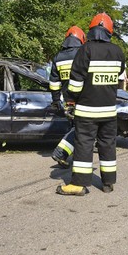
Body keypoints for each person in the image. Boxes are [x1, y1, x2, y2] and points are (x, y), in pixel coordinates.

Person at [57, 13, 125, 196]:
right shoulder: (118, 52)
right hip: (109, 111)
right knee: (108, 144)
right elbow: (119, 80)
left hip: (87, 111)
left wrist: (71, 99)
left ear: (91, 31)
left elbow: (76, 82)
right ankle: (108, 182)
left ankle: (78, 184)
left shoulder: (85, 50)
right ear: (109, 32)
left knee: (84, 144)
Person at [49, 26, 86, 168]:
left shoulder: (58, 57)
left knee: (74, 125)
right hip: (82, 98)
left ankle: (71, 154)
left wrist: (56, 100)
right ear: (81, 39)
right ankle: (62, 152)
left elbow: (54, 83)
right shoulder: (83, 53)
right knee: (82, 127)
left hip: (67, 100)